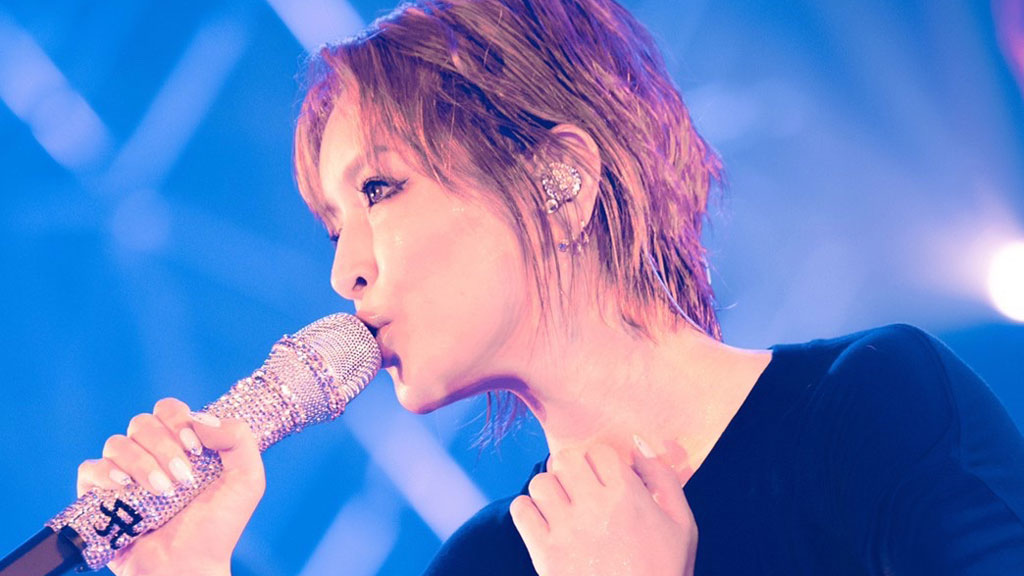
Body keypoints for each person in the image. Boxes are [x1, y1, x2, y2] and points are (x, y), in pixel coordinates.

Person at [75, 0, 1024, 574]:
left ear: (557, 181)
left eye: (380, 190)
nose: (343, 269)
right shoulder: (486, 563)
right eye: (333, 225)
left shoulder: (872, 406)